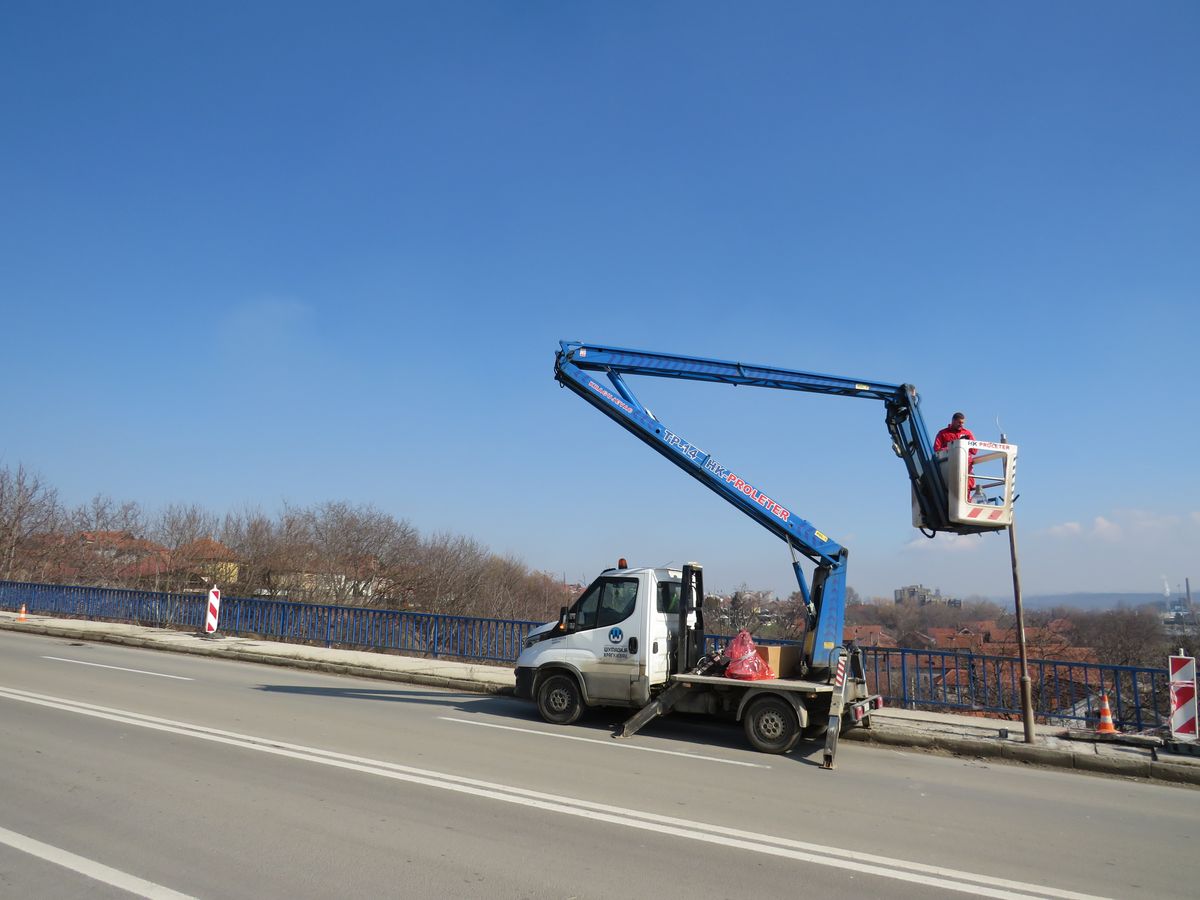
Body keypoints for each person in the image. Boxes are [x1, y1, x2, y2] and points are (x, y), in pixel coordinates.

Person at [934, 412, 981, 499]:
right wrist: (954, 446)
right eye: (959, 422)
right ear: (953, 421)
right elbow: (937, 450)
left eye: (963, 423)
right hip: (948, 469)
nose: (961, 425)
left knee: (966, 489)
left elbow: (974, 451)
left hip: (966, 469)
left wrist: (966, 443)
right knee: (949, 491)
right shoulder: (943, 433)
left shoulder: (967, 433)